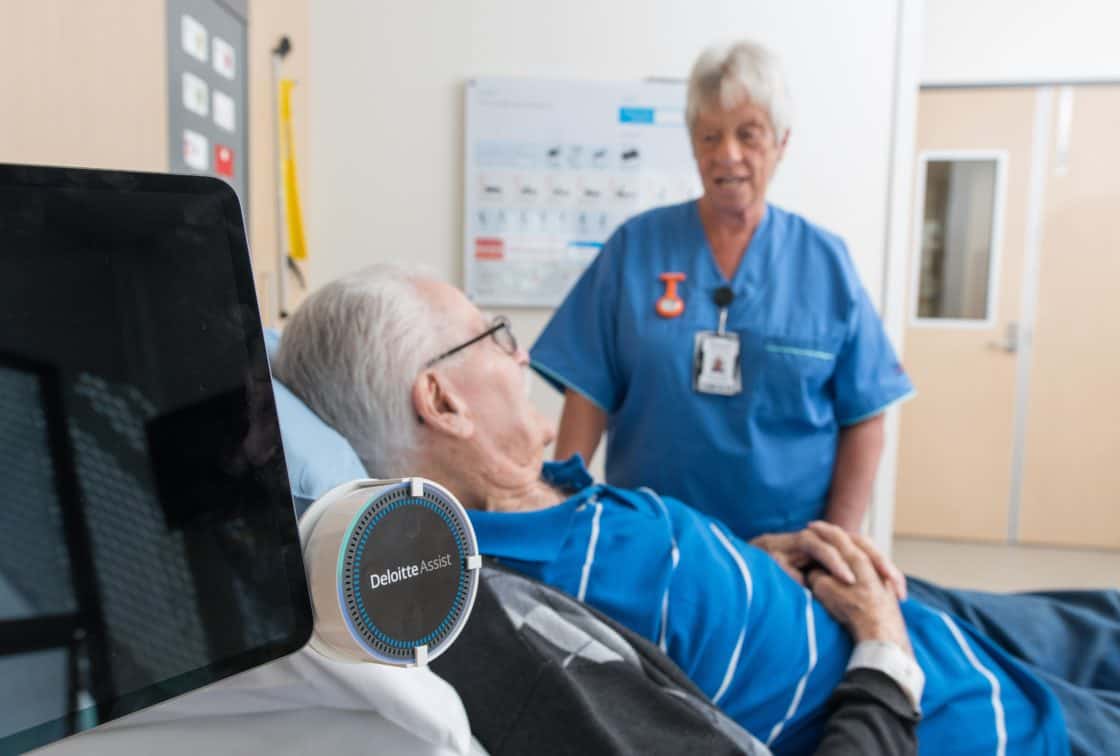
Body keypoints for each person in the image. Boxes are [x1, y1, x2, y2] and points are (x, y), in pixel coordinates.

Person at [275, 266, 1119, 756]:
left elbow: (668, 609)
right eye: (491, 335)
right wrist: (885, 654)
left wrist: (752, 567)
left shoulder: (542, 501)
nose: (521, 350)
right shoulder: (527, 608)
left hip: (872, 604)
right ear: (441, 402)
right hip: (933, 702)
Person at [530, 40, 914, 540]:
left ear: (781, 142)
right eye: (709, 136)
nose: (727, 155)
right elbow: (587, 393)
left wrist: (838, 543)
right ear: (692, 143)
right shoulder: (635, 247)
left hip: (786, 552)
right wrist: (563, 517)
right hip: (653, 541)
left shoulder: (825, 261)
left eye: (747, 135)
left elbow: (864, 415)